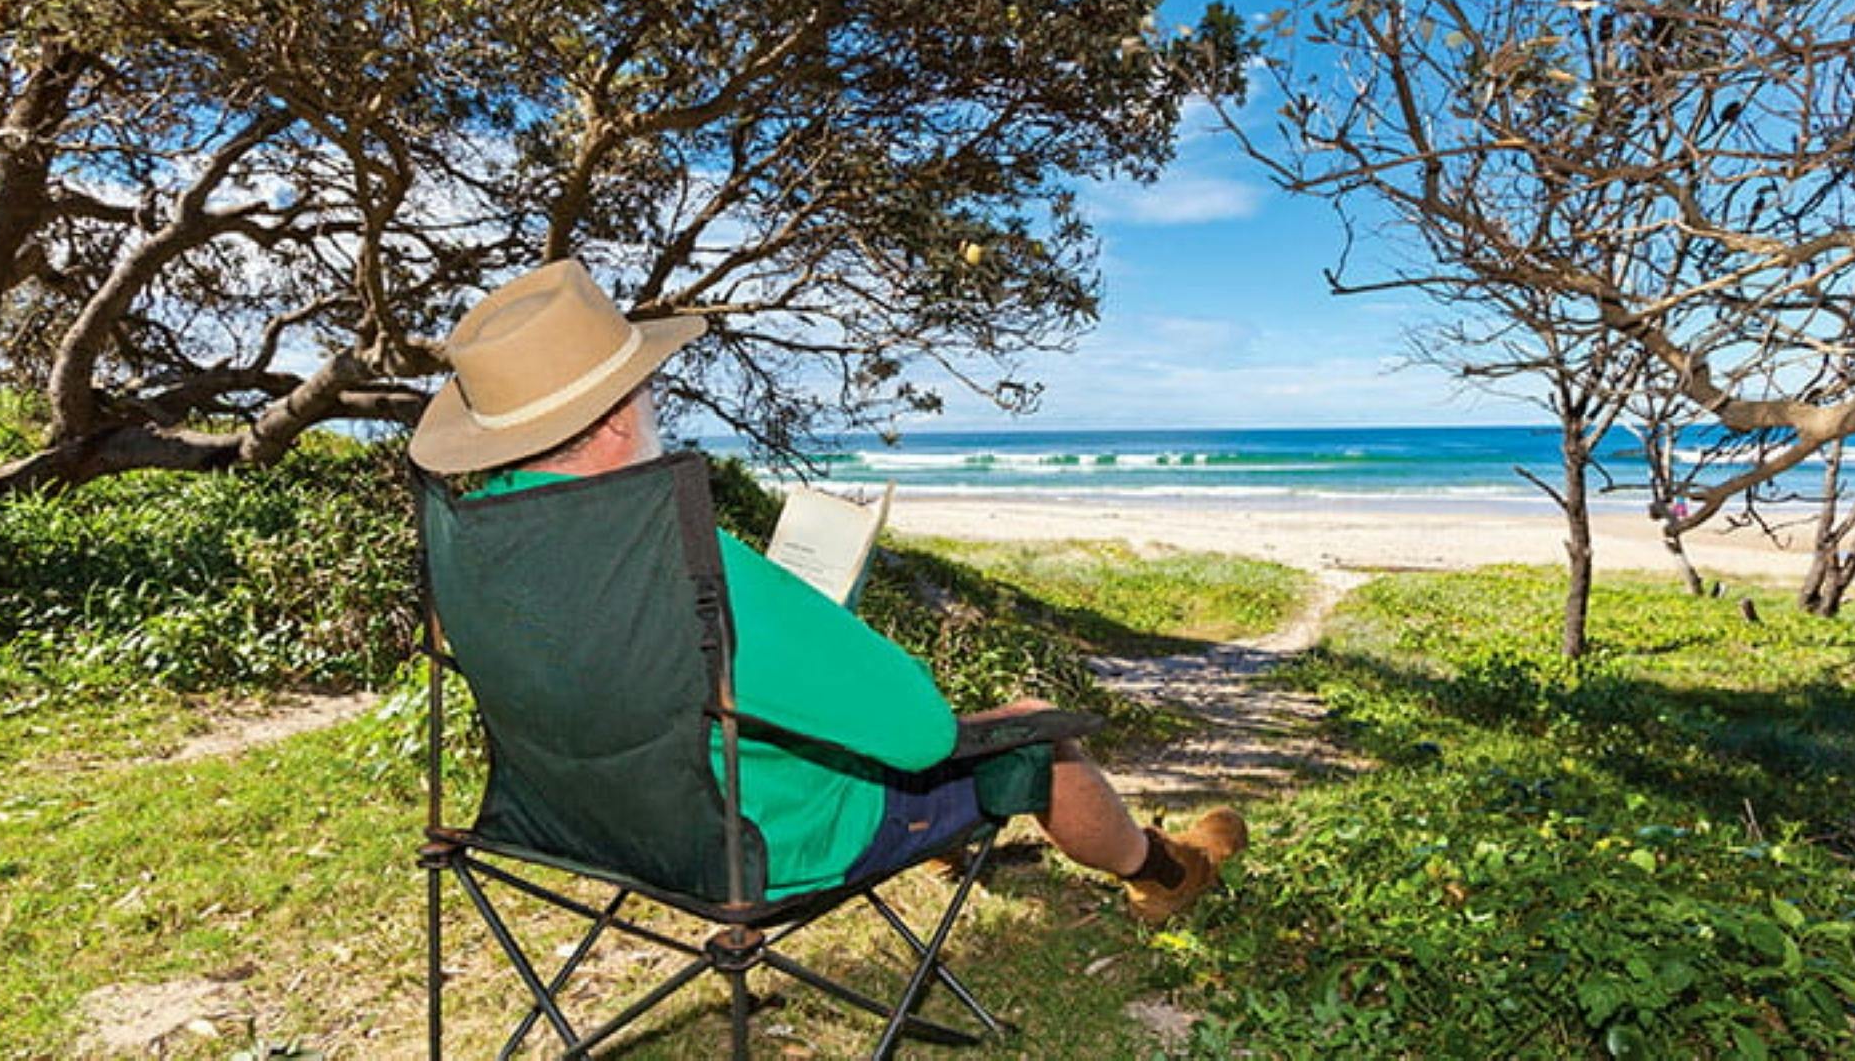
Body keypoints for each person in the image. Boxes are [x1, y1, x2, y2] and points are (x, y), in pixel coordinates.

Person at [408, 260, 1245, 923]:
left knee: (825, 707)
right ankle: (1166, 870)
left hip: (579, 826)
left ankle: (968, 844)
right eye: (645, 384)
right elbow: (918, 735)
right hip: (753, 847)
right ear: (617, 417)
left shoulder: (476, 543)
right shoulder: (678, 559)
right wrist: (802, 617)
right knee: (1027, 732)